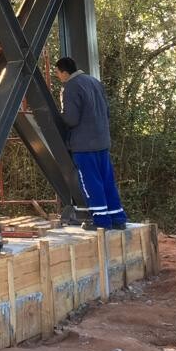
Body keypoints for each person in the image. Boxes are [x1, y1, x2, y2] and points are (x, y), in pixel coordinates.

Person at [54, 56, 127, 231]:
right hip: (102, 142)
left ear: (64, 72)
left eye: (57, 73)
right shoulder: (94, 82)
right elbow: (107, 111)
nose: (58, 76)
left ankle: (101, 221)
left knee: (91, 183)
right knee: (107, 180)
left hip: (84, 145)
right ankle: (118, 218)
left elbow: (71, 119)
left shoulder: (71, 86)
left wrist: (58, 119)